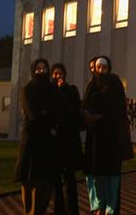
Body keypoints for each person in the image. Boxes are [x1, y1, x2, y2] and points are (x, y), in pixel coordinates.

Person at [82, 56, 133, 215]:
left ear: (108, 68)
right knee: (95, 174)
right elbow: (85, 105)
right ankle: (98, 206)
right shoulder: (91, 85)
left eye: (104, 67)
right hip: (95, 138)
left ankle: (112, 208)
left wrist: (102, 116)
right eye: (99, 68)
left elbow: (119, 109)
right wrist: (87, 116)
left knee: (112, 175)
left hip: (111, 137)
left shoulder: (115, 83)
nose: (102, 70)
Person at [14, 59, 62, 215]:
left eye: (44, 69)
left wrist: (46, 114)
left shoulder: (52, 89)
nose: (41, 71)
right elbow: (33, 114)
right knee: (30, 180)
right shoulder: (27, 90)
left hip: (48, 143)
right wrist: (47, 115)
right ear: (33, 70)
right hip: (32, 143)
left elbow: (57, 111)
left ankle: (39, 211)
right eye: (38, 69)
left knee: (47, 182)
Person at [51, 63, 83, 215]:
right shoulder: (49, 91)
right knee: (56, 180)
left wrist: (63, 89)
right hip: (55, 141)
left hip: (69, 140)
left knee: (70, 180)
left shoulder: (71, 90)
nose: (58, 75)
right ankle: (59, 210)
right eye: (55, 73)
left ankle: (72, 210)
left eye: (60, 72)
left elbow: (75, 110)